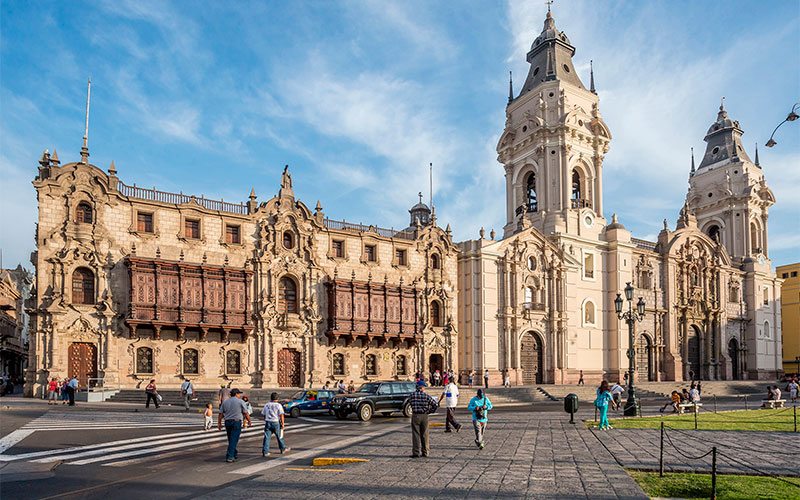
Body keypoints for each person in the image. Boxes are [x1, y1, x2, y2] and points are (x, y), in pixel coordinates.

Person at [218, 388, 251, 462]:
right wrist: (249, 420)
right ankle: (230, 456)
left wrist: (219, 423)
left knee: (231, 439)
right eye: (239, 394)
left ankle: (234, 453)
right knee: (234, 439)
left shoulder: (225, 402)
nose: (239, 395)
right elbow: (246, 412)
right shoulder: (240, 402)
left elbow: (220, 413)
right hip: (236, 422)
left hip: (227, 422)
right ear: (236, 394)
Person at [408, 380, 438, 458]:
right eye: (424, 387)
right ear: (422, 388)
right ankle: (425, 452)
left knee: (415, 434)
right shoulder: (426, 396)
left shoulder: (411, 395)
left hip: (415, 415)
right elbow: (435, 405)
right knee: (425, 434)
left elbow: (410, 403)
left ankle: (416, 452)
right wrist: (430, 411)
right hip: (424, 416)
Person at [261, 392, 290, 456]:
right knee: (279, 436)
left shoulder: (267, 405)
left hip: (268, 422)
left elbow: (264, 414)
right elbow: (281, 415)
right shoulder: (278, 405)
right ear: (277, 398)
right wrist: (282, 423)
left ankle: (265, 451)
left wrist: (266, 420)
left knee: (267, 437)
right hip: (276, 422)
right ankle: (283, 448)